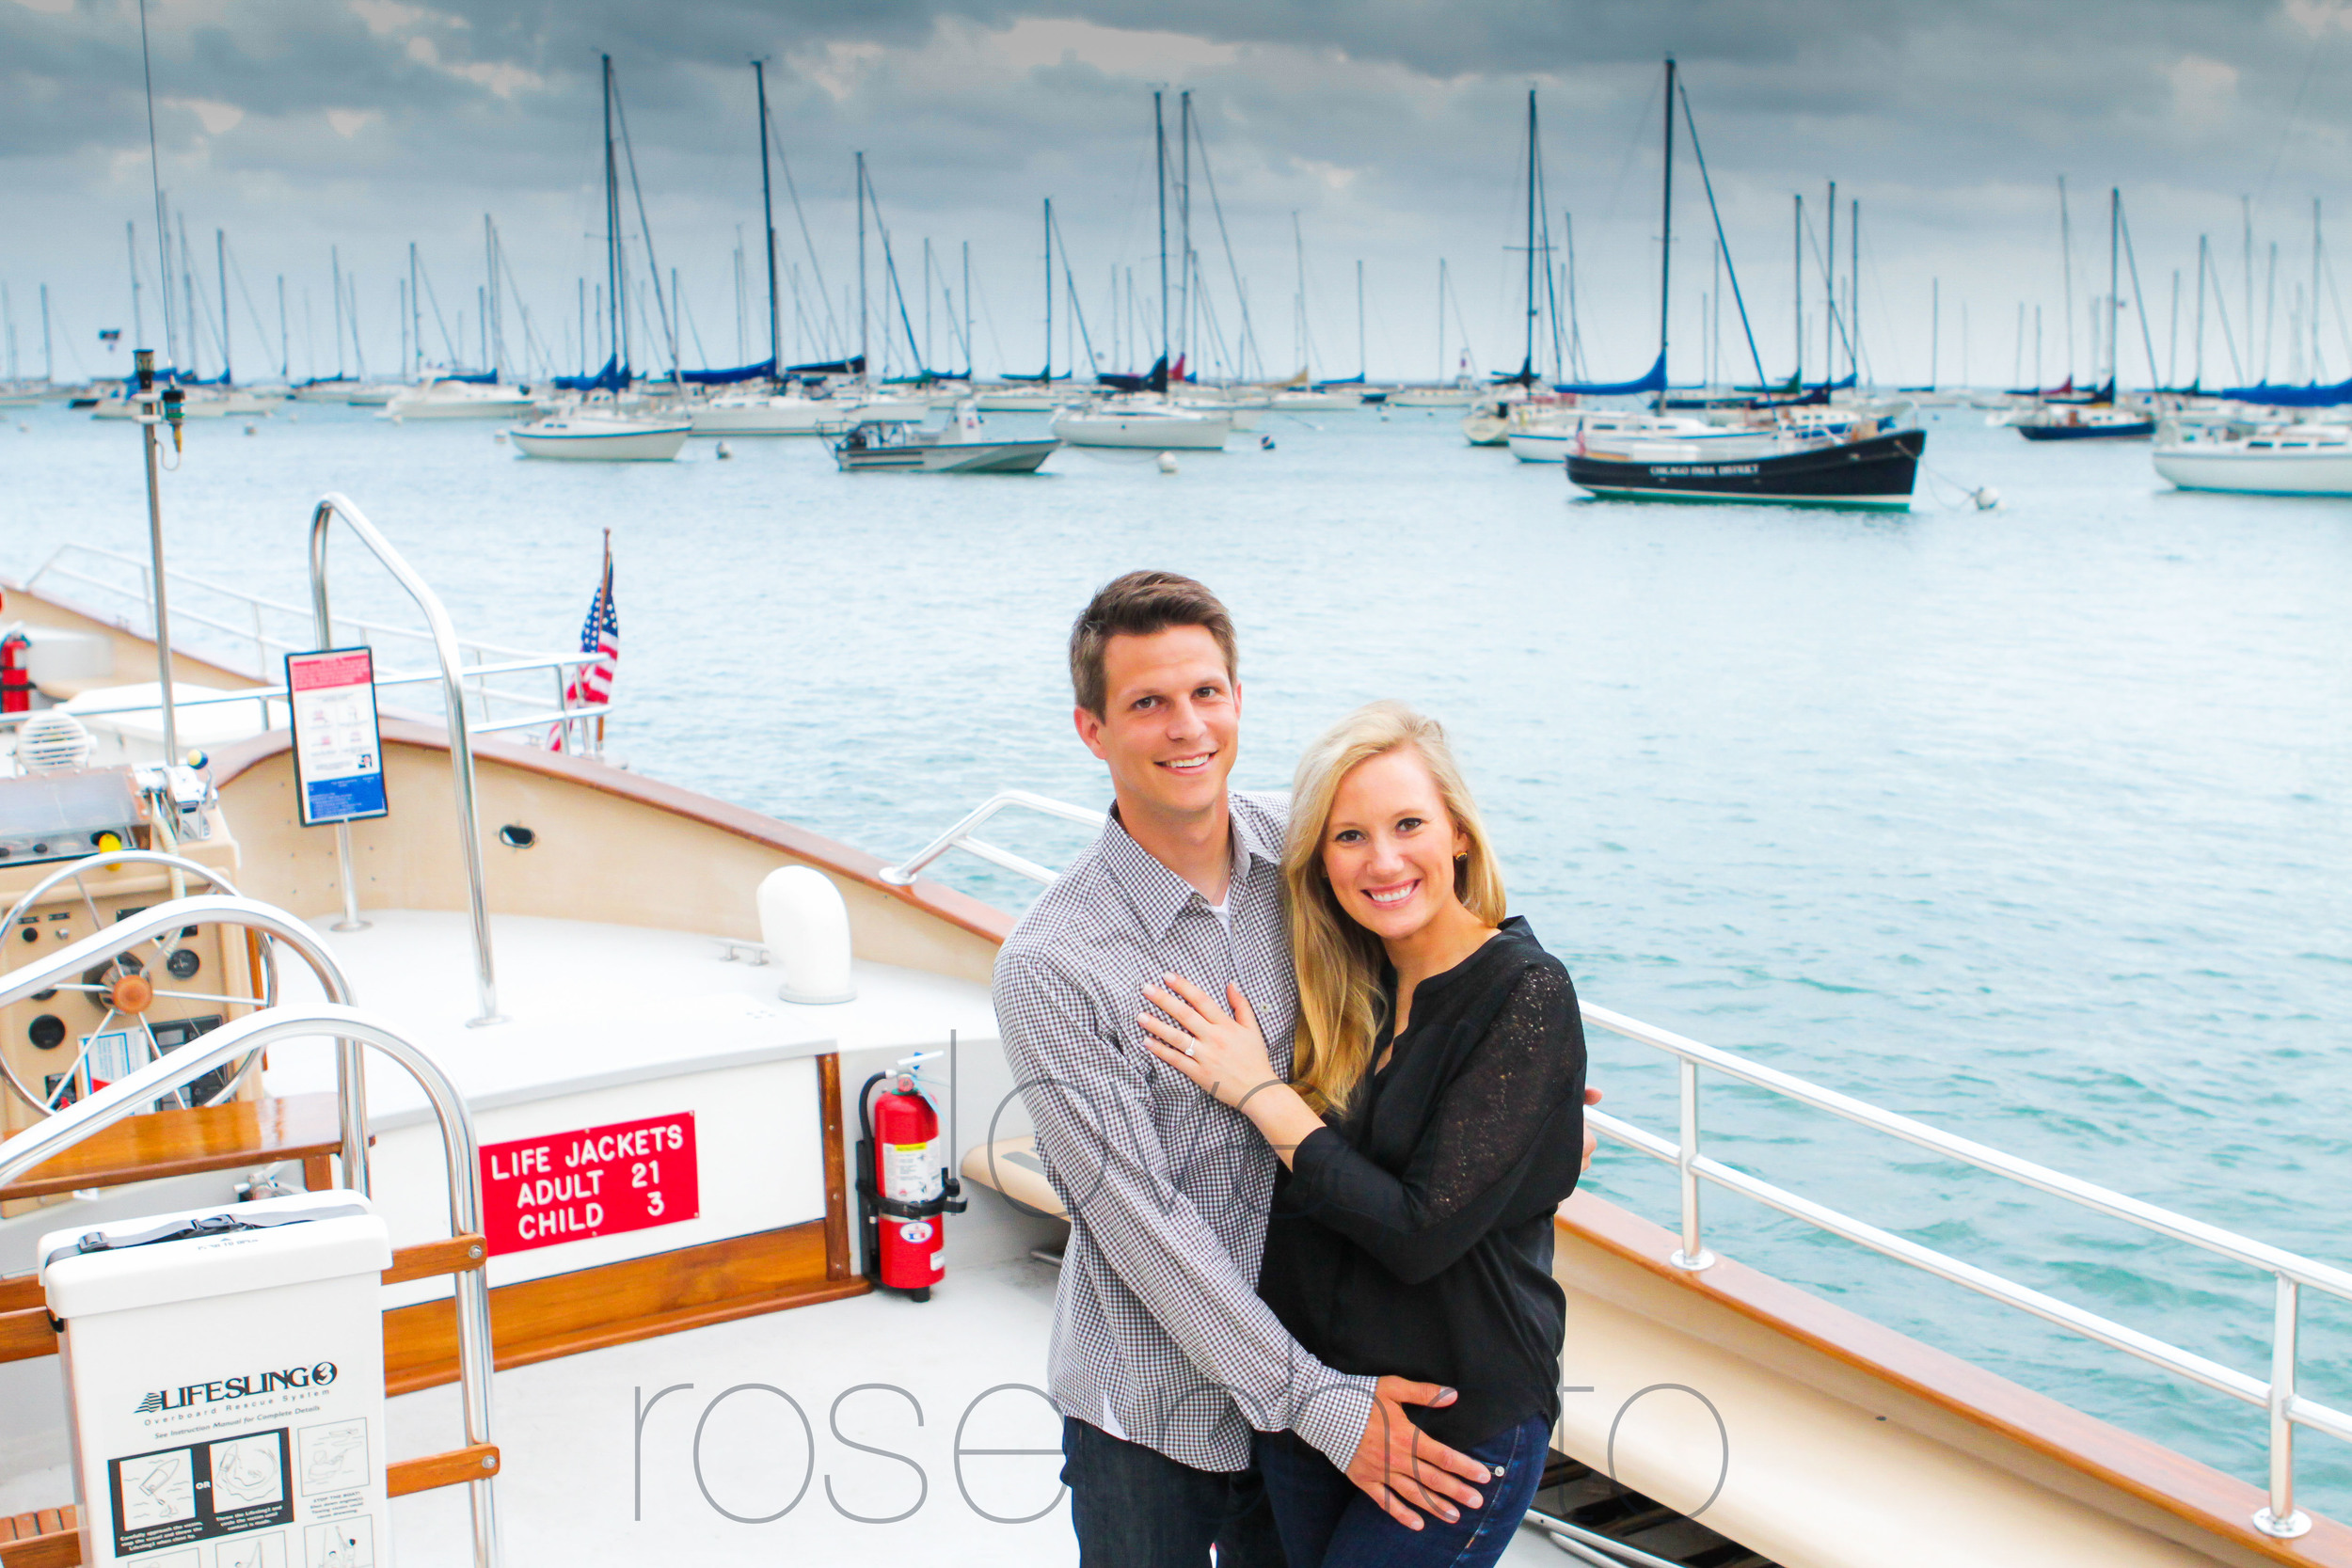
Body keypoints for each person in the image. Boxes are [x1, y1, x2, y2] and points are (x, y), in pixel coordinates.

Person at [994, 573, 1497, 1568]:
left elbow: (1439, 944)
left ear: (1237, 698)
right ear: (1092, 728)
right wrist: (1319, 1401)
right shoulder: (1052, 965)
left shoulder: (1315, 848)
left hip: (1331, 1362)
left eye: (1206, 693)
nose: (1187, 727)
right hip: (1156, 1413)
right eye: (1147, 702)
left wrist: (1515, 1083)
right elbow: (1141, 1225)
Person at [1140, 701, 1591, 1568]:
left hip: (1454, 1428)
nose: (1382, 860)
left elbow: (1417, 1232)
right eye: (1349, 837)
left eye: (1408, 824)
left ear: (1457, 833)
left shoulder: (1524, 992)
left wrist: (1263, 1096)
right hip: (1318, 1408)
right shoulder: (1347, 985)